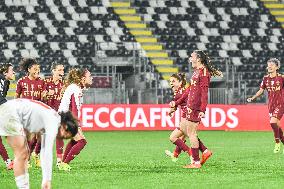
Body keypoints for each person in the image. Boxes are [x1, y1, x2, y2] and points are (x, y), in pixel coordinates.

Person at [0, 98, 78, 189]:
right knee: (21, 154)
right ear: (65, 127)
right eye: (65, 137)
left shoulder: (52, 116)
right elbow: (46, 151)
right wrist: (47, 180)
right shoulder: (53, 123)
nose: (62, 139)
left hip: (8, 109)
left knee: (23, 153)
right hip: (9, 113)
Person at [170, 50, 222, 168]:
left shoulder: (203, 72)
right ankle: (204, 151)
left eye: (191, 56)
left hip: (196, 107)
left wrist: (202, 110)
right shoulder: (196, 72)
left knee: (191, 133)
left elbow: (204, 92)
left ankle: (196, 162)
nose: (190, 58)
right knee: (184, 129)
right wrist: (177, 102)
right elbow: (189, 90)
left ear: (198, 59)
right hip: (190, 106)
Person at [165, 73, 211, 164]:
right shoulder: (180, 91)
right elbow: (178, 103)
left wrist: (172, 109)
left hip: (188, 116)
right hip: (189, 115)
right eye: (170, 81)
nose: (171, 83)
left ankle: (192, 153)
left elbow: (178, 102)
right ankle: (177, 154)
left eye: (173, 81)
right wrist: (172, 109)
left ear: (180, 82)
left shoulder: (181, 92)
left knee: (174, 137)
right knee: (185, 136)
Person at [57, 68, 93, 171]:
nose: (91, 78)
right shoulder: (75, 89)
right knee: (82, 141)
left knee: (75, 140)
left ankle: (63, 163)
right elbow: (74, 107)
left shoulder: (76, 88)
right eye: (89, 76)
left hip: (64, 116)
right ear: (82, 79)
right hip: (66, 117)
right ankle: (64, 163)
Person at [247, 58, 284, 153]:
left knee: (272, 123)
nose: (269, 66)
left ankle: (277, 143)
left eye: (272, 64)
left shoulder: (281, 78)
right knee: (277, 126)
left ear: (277, 67)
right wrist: (253, 97)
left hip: (280, 104)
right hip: (271, 105)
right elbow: (261, 90)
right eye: (269, 64)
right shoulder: (265, 78)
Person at [15, 58, 44, 167]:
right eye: (35, 69)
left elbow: (43, 98)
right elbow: (16, 97)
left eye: (39, 69)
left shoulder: (41, 81)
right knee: (29, 137)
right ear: (29, 69)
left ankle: (36, 154)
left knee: (41, 135)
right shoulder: (21, 81)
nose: (37, 71)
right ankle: (26, 159)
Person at [42, 62, 65, 166]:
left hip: (58, 114)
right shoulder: (45, 82)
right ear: (53, 71)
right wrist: (47, 95)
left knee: (60, 135)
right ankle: (36, 155)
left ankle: (59, 160)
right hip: (46, 113)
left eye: (63, 70)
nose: (62, 72)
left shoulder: (64, 84)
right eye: (59, 70)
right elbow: (41, 98)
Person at [0, 62, 15, 170]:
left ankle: (8, 162)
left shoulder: (6, 82)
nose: (14, 72)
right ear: (5, 72)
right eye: (11, 70)